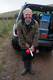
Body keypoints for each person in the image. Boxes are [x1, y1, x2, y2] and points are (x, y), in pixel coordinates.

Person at [17, 8, 39, 75]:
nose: (27, 16)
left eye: (29, 14)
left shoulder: (35, 24)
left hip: (32, 45)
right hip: (23, 45)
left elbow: (36, 35)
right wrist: (25, 43)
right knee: (25, 56)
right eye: (26, 14)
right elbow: (20, 35)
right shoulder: (20, 24)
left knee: (31, 56)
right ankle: (25, 67)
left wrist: (33, 46)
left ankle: (30, 67)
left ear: (31, 15)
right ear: (24, 16)